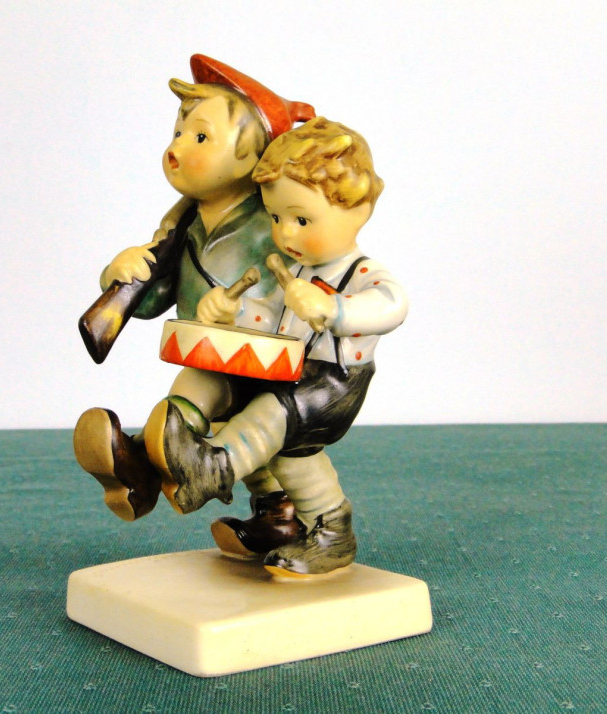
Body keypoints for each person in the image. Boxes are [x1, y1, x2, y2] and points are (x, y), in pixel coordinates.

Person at [155, 117, 409, 577]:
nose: (286, 233)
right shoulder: (293, 270)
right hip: (288, 372)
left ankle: (213, 467)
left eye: (301, 219)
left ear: (358, 209)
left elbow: (393, 305)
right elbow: (267, 317)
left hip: (332, 381)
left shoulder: (361, 273)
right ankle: (295, 522)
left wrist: (334, 309)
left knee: (270, 417)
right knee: (287, 452)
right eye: (275, 218)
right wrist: (229, 311)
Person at [73, 55, 315, 523]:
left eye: (200, 137)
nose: (177, 146)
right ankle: (263, 511)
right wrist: (120, 273)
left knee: (233, 434)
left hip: (267, 369)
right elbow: (152, 301)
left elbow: (301, 292)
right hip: (209, 356)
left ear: (254, 157)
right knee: (190, 413)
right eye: (179, 132)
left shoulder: (276, 222)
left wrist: (241, 313)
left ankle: (140, 467)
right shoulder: (181, 223)